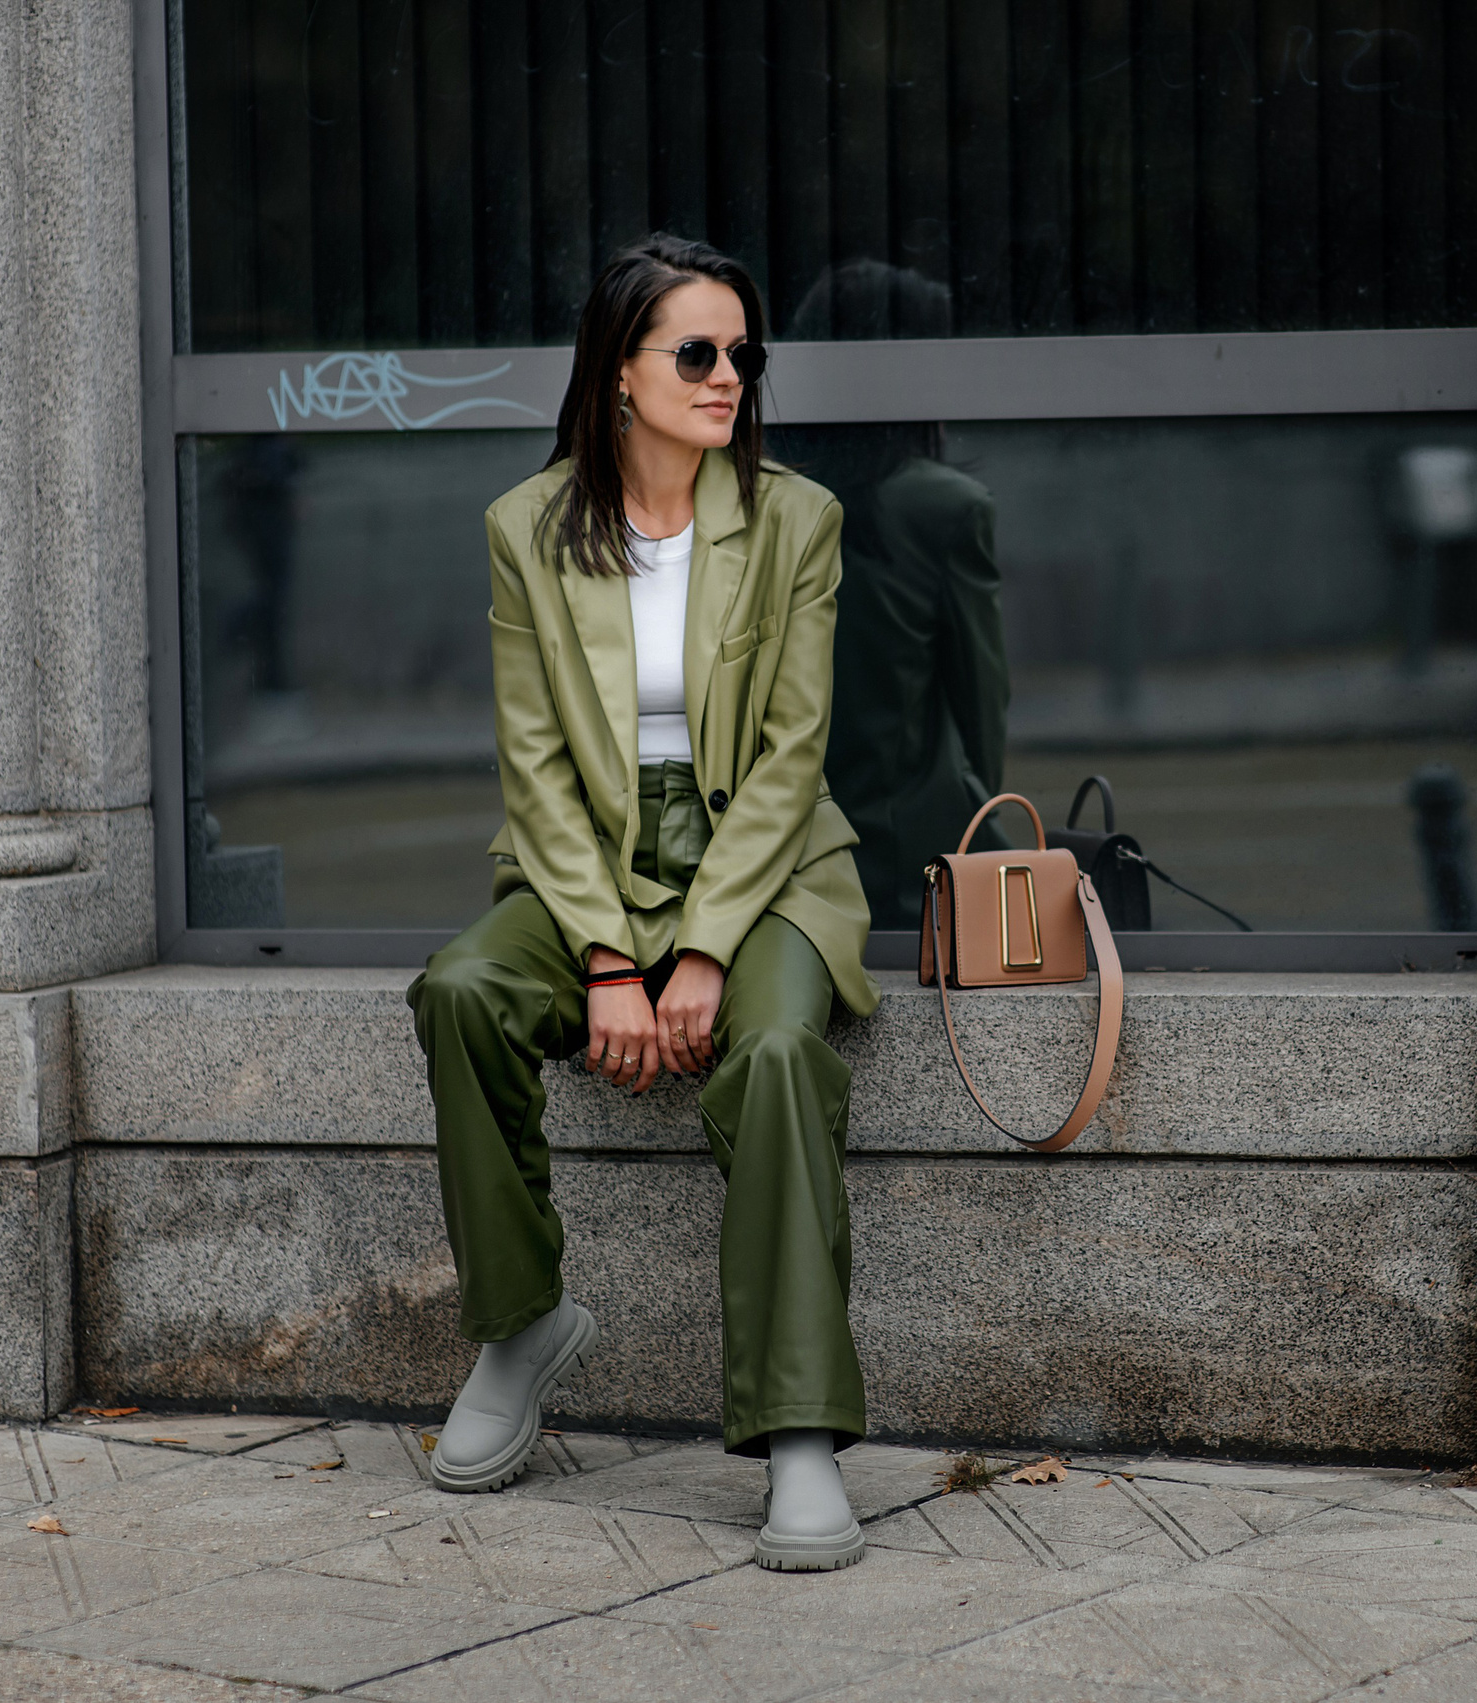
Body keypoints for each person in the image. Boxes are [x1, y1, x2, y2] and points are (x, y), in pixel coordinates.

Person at [406, 234, 879, 1573]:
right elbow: (538, 764)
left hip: (765, 866)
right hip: (591, 865)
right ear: (621, 370)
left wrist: (710, 949)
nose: (727, 375)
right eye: (696, 351)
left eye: (743, 353)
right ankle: (520, 1324)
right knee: (464, 987)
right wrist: (614, 953)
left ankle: (796, 1433)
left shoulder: (798, 519)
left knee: (781, 1052)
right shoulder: (526, 528)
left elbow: (791, 762)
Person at [782, 263, 1010, 927]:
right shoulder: (944, 507)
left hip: (782, 855)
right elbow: (982, 708)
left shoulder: (762, 497)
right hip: (914, 860)